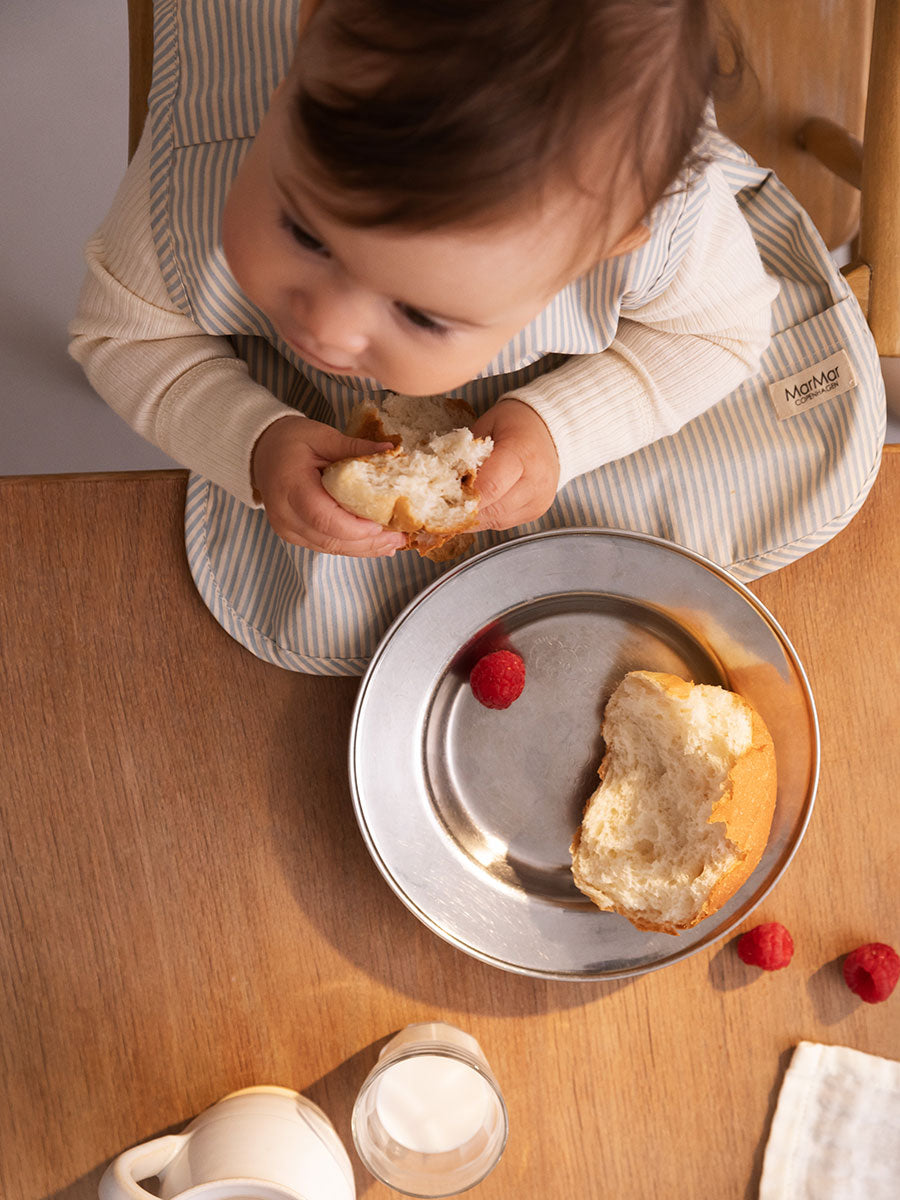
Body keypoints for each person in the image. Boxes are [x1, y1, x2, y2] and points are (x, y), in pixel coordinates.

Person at [69, 0, 884, 674]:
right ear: (291, 81)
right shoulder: (194, 195)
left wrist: (562, 427)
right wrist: (252, 442)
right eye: (305, 231)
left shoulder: (662, 228)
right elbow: (126, 340)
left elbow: (716, 334)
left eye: (422, 314)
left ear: (601, 254)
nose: (328, 325)